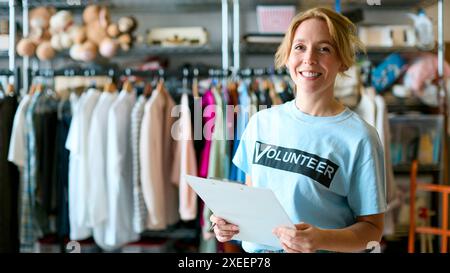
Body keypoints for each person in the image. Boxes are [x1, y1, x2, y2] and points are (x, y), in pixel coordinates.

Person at [210, 7, 387, 253]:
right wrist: (229, 225)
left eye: (324, 49)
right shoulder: (261, 123)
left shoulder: (359, 138)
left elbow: (372, 231)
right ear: (287, 56)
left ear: (343, 61)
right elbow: (253, 204)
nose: (309, 59)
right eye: (300, 47)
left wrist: (320, 239)